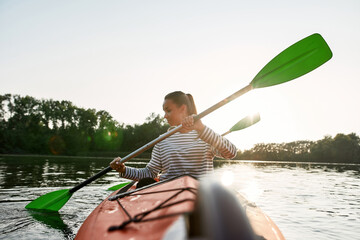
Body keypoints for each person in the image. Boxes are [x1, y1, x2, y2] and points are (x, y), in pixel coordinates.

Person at [110, 91, 237, 182]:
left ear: (183, 109)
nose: (165, 116)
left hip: (202, 196)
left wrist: (202, 129)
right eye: (164, 111)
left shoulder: (205, 135)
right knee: (145, 183)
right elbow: (149, 173)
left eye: (168, 110)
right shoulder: (162, 140)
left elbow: (231, 153)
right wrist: (123, 170)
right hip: (168, 196)